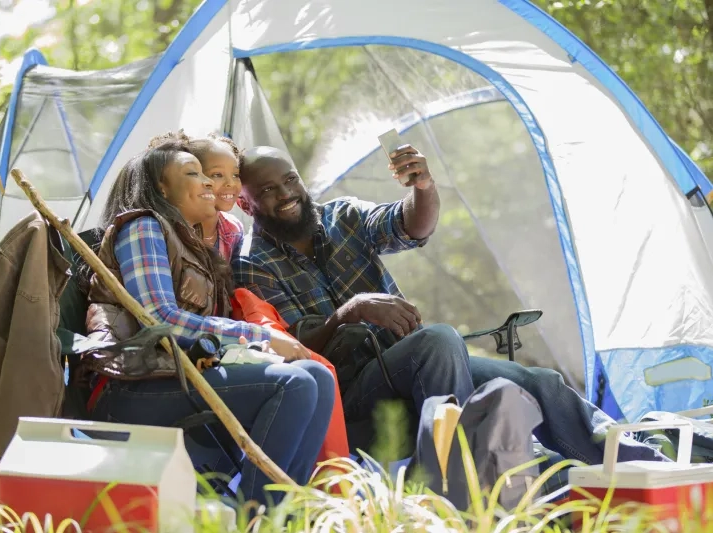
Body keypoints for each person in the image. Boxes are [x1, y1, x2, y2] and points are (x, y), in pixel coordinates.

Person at [231, 144, 667, 466]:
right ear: (244, 203)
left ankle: (633, 463)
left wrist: (424, 186)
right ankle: (459, 478)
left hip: (408, 359)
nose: (285, 193)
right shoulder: (253, 263)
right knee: (437, 340)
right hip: (351, 387)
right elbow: (298, 348)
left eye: (290, 179)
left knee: (533, 379)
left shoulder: (340, 216)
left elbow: (410, 225)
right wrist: (353, 309)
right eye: (267, 190)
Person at [83, 140, 335, 506]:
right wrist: (257, 335)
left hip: (182, 373)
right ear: (161, 188)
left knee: (318, 376)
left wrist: (255, 347)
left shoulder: (197, 243)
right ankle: (256, 517)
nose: (207, 183)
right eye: (193, 173)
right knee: (292, 385)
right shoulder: (143, 227)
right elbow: (159, 319)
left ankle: (282, 515)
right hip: (132, 385)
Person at [147, 130, 244, 261]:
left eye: (236, 175)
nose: (231, 183)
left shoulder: (233, 228)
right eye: (217, 175)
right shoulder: (164, 230)